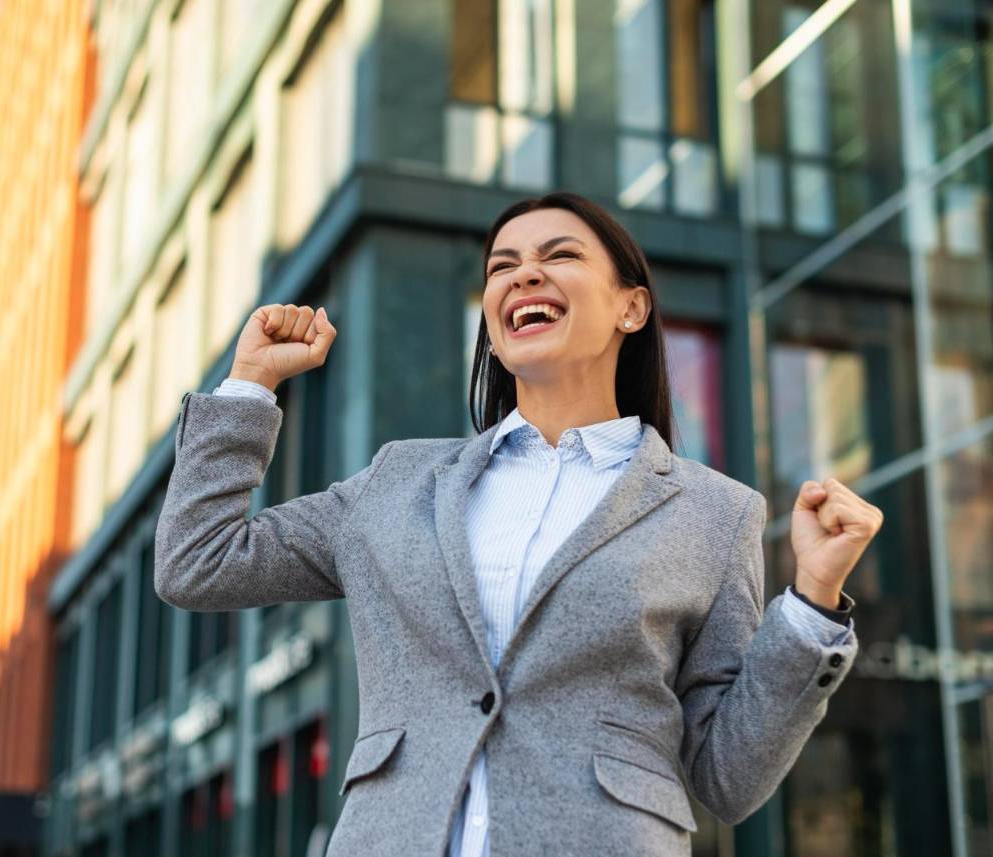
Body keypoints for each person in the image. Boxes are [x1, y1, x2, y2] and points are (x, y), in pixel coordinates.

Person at [154, 192, 883, 857]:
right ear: (494, 328)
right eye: (503, 266)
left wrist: (814, 598)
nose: (524, 275)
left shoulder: (715, 513)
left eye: (558, 255)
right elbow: (198, 560)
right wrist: (249, 384)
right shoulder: (396, 482)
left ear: (632, 307)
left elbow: (726, 775)